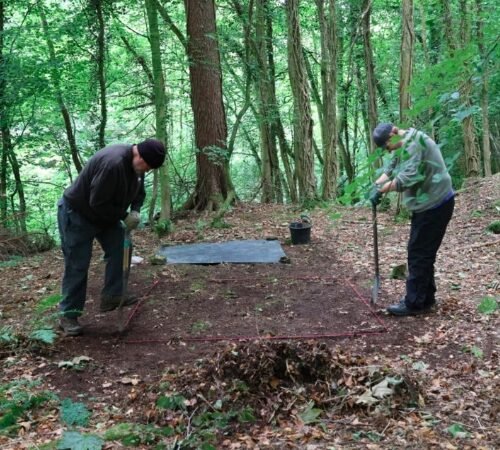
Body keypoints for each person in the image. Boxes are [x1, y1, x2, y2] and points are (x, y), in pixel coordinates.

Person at [57, 139, 166, 335]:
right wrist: (123, 216)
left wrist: (135, 211)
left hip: (105, 215)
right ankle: (69, 314)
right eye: (147, 166)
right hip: (78, 214)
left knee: (121, 247)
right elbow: (97, 202)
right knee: (77, 264)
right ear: (139, 155)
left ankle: (112, 295)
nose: (146, 171)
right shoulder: (113, 164)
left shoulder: (137, 167)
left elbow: (139, 193)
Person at [370, 123, 454, 316]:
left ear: (393, 133)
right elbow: (391, 168)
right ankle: (426, 298)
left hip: (436, 205)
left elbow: (406, 178)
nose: (387, 150)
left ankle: (414, 303)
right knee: (422, 252)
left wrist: (382, 190)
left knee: (418, 253)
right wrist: (376, 185)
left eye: (386, 145)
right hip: (428, 205)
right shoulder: (404, 143)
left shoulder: (414, 144)